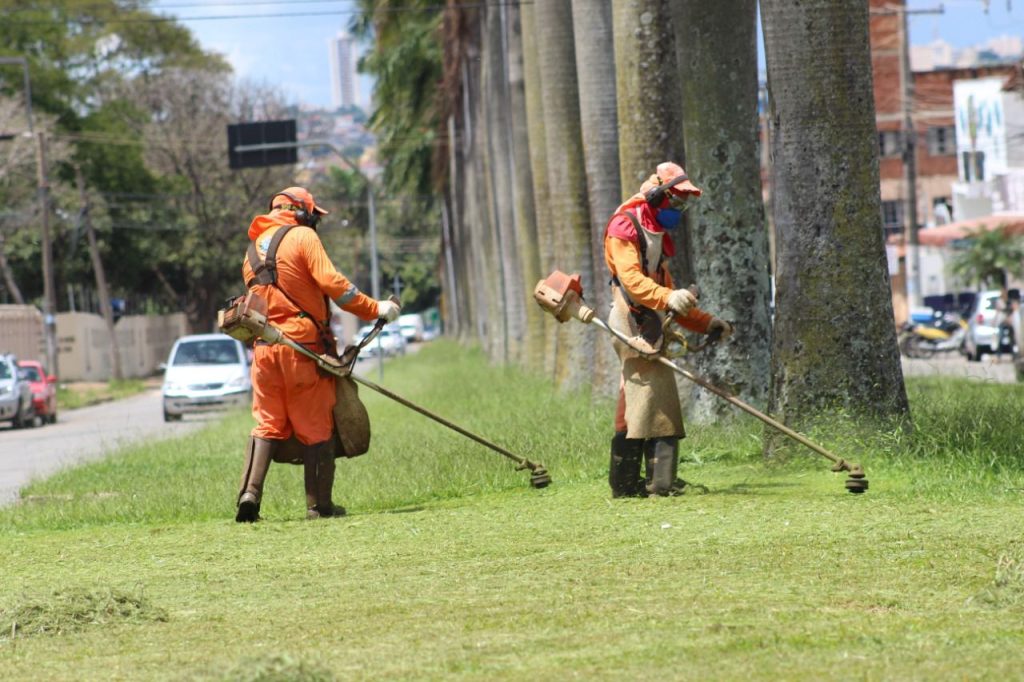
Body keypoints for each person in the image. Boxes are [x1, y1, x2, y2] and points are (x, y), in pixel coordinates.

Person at [235, 186, 400, 522]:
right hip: (303, 351)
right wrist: (375, 308)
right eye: (313, 215)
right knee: (315, 426)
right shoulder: (303, 238)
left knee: (267, 423)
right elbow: (334, 284)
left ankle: (249, 494)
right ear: (302, 212)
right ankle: (318, 506)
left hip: (265, 352)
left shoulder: (252, 252)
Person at [603, 162, 733, 497]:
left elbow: (668, 294)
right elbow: (631, 280)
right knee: (648, 393)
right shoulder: (624, 225)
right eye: (675, 203)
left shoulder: (657, 235)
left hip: (650, 318)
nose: (679, 211)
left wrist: (705, 322)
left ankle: (639, 482)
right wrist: (667, 297)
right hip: (629, 317)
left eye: (683, 205)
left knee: (640, 395)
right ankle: (645, 483)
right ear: (658, 197)